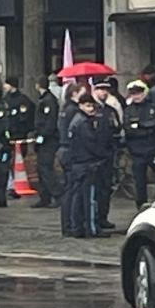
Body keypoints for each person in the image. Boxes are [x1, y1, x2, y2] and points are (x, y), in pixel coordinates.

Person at [123, 80, 155, 210]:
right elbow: (129, 129)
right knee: (139, 181)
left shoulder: (153, 107)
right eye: (133, 94)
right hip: (137, 151)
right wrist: (144, 127)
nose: (136, 96)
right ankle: (141, 204)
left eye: (139, 93)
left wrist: (140, 126)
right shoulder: (129, 110)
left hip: (153, 148)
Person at [64, 94, 107, 239]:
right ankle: (91, 228)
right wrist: (102, 155)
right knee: (88, 198)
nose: (91, 109)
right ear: (81, 105)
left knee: (77, 197)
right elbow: (91, 144)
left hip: (79, 163)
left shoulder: (77, 120)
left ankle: (77, 227)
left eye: (92, 106)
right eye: (87, 106)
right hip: (86, 163)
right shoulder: (82, 123)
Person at [58, 83, 88, 235]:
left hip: (64, 151)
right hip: (71, 152)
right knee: (73, 189)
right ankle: (71, 224)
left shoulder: (65, 109)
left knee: (69, 189)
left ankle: (68, 224)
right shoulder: (74, 111)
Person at [91, 81, 121, 230]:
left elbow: (117, 128)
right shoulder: (91, 109)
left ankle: (103, 217)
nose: (103, 93)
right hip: (94, 156)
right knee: (95, 189)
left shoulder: (110, 110)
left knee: (106, 188)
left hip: (108, 155)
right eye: (100, 89)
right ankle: (94, 217)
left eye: (105, 90)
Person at [33, 78, 61, 208]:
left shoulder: (49, 100)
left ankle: (57, 194)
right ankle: (44, 196)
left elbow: (49, 122)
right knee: (40, 168)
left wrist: (42, 136)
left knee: (46, 168)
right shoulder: (43, 99)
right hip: (42, 138)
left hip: (48, 140)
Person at [2, 76, 35, 143]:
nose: (4, 86)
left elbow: (26, 115)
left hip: (19, 132)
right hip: (7, 131)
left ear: (12, 85)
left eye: (6, 84)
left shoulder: (23, 99)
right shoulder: (5, 98)